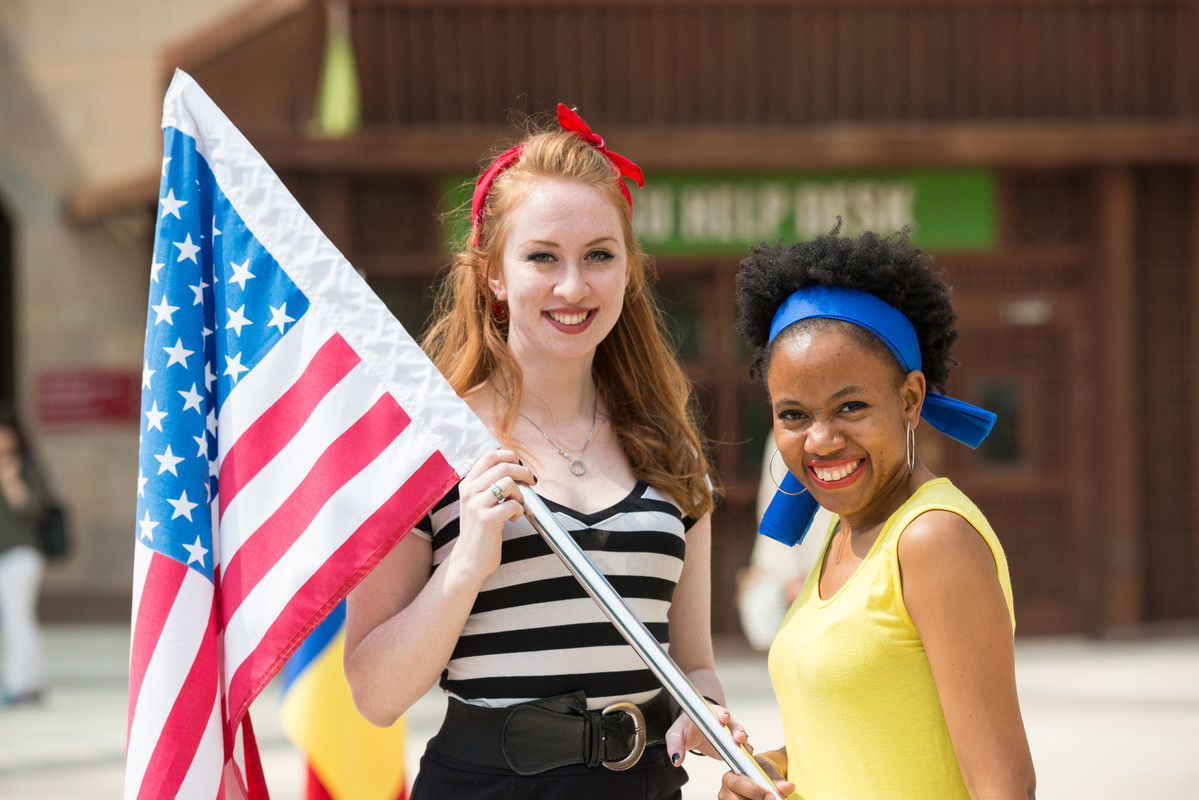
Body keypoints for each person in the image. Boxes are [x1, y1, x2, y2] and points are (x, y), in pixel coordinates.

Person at [344, 104, 745, 799]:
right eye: (540, 257)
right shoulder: (427, 447)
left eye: (598, 255)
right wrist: (465, 564)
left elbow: (694, 664)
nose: (572, 286)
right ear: (493, 276)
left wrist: (701, 709)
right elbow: (374, 696)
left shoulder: (672, 451)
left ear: (628, 271)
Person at [719, 229, 1037, 800]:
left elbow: (1003, 788)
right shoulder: (843, 535)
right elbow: (871, 736)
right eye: (793, 414)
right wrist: (777, 768)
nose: (820, 439)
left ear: (910, 399)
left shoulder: (932, 538)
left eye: (851, 406)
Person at [0, 403, 50, 708]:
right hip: (4, 555)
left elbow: (34, 510)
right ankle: (28, 682)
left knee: (19, 619)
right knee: (16, 620)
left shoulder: (25, 467)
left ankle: (21, 685)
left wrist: (11, 481)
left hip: (22, 553)